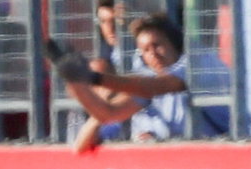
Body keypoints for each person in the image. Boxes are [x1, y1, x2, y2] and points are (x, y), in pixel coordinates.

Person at [57, 13, 229, 153]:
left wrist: (94, 78)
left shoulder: (196, 62)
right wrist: (76, 81)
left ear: (175, 44)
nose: (153, 54)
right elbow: (107, 116)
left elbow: (154, 87)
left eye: (157, 45)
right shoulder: (149, 80)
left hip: (229, 147)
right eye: (145, 50)